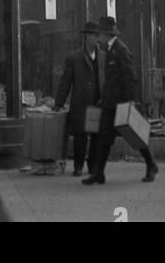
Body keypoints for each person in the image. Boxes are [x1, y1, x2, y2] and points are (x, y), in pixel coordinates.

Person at [83, 16, 157, 185]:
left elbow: (130, 77)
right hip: (110, 103)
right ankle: (99, 173)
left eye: (99, 33)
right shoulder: (110, 49)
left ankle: (151, 164)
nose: (97, 36)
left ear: (105, 34)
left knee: (134, 134)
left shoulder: (120, 50)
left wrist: (130, 100)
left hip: (121, 103)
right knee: (104, 137)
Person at [53, 21, 101, 177]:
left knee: (95, 137)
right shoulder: (74, 58)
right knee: (80, 137)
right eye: (94, 36)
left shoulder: (102, 57)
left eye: (98, 36)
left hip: (97, 103)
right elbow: (65, 82)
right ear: (86, 37)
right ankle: (78, 166)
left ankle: (92, 166)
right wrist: (59, 102)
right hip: (80, 103)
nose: (97, 39)